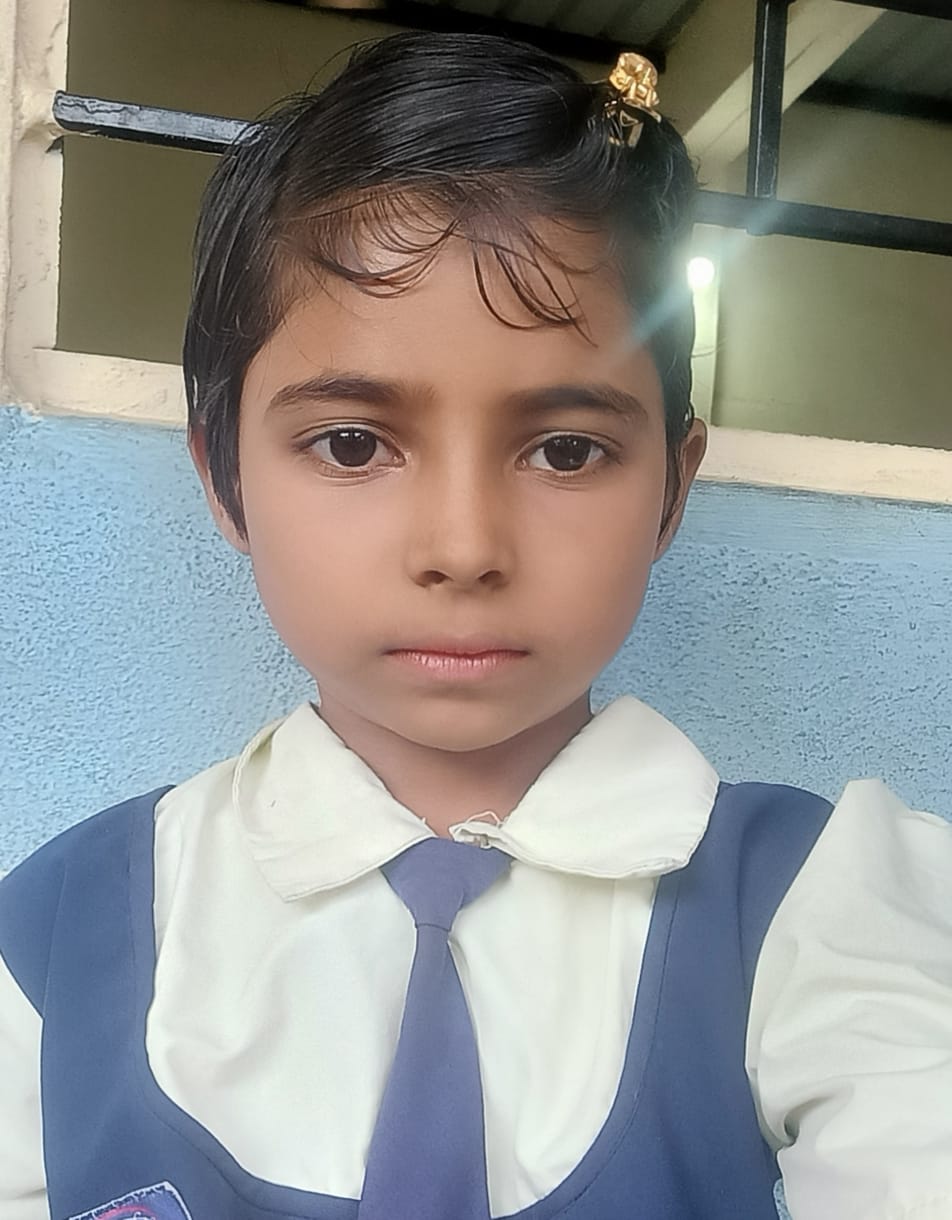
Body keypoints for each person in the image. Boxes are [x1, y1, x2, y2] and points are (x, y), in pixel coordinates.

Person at [0, 30, 949, 1220]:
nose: (462, 545)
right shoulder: (50, 944)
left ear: (671, 486)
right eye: (353, 443)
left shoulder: (823, 904)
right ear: (225, 479)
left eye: (566, 450)